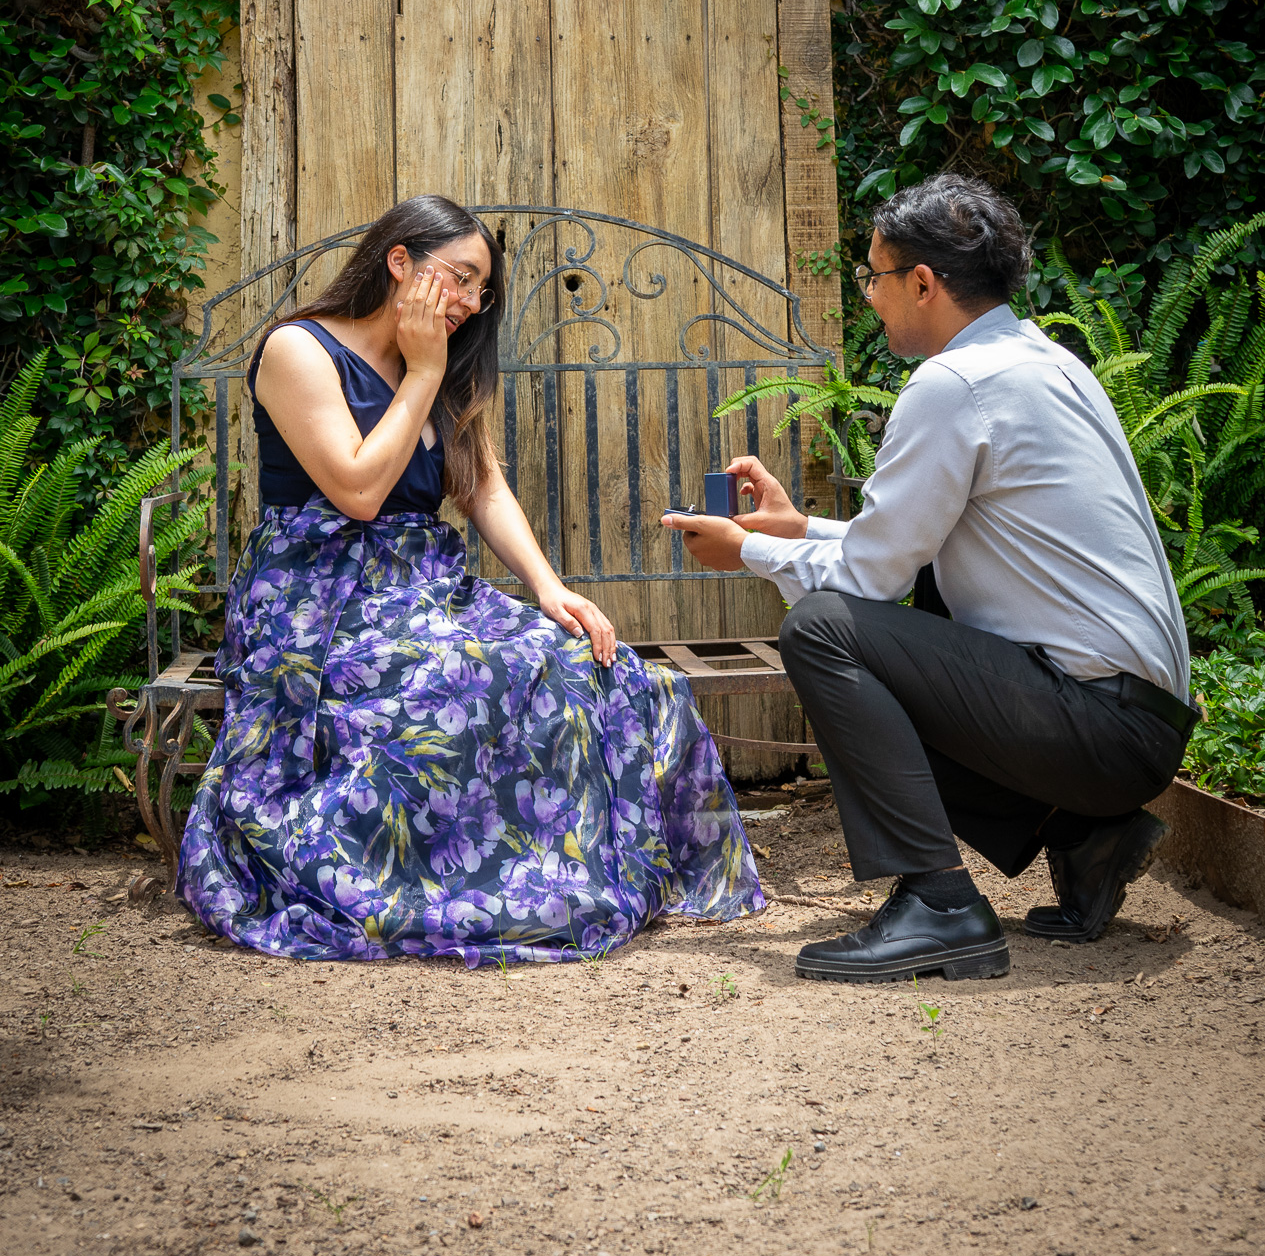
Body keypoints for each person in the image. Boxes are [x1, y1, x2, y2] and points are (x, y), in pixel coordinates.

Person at [177, 195, 762, 963]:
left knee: (597, 666)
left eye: (478, 290)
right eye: (457, 279)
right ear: (398, 263)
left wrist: (550, 589)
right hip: (318, 600)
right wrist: (421, 369)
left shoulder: (444, 369)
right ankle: (444, 883)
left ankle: (554, 876)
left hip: (422, 586)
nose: (467, 303)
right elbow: (357, 491)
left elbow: (482, 485)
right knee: (474, 672)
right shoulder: (300, 350)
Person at [663, 171, 1195, 985]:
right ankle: (1083, 834)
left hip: (1096, 728)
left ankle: (941, 905)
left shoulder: (953, 387)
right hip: (1133, 727)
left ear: (921, 281)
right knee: (897, 618)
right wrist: (797, 529)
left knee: (822, 632)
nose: (868, 296)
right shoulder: (1045, 362)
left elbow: (871, 583)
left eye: (873, 276)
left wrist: (746, 551)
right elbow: (918, 541)